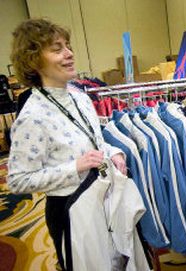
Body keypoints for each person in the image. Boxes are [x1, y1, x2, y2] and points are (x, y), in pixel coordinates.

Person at [7, 18, 127, 269]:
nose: (69, 53)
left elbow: (94, 141)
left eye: (68, 45)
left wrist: (113, 152)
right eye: (56, 48)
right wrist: (74, 167)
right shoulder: (32, 117)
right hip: (69, 209)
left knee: (115, 262)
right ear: (33, 60)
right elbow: (18, 180)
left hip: (102, 197)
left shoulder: (79, 97)